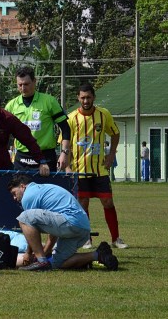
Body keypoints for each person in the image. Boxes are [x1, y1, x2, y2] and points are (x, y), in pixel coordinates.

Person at [62, 84, 128, 250]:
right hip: (80, 170)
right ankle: (86, 239)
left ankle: (116, 238)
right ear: (78, 98)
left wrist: (112, 154)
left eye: (88, 97)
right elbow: (66, 144)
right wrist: (68, 167)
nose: (86, 100)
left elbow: (115, 133)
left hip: (99, 170)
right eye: (83, 97)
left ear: (94, 97)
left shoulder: (103, 114)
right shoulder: (70, 119)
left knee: (108, 202)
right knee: (83, 204)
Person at [8, 174, 118, 271]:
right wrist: (46, 251)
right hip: (82, 229)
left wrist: (28, 254)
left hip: (70, 223)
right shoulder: (41, 189)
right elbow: (54, 228)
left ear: (22, 186)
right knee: (57, 263)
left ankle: (41, 261)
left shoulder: (28, 195)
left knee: (23, 218)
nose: (14, 198)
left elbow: (29, 223)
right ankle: (98, 255)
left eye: (14, 193)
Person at [4, 66, 70, 172]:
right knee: (20, 188)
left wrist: (64, 153)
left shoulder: (49, 101)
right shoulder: (11, 106)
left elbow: (66, 129)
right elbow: (4, 133)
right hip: (21, 158)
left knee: (45, 188)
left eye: (26, 84)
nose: (23, 88)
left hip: (46, 156)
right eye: (19, 85)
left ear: (34, 82)